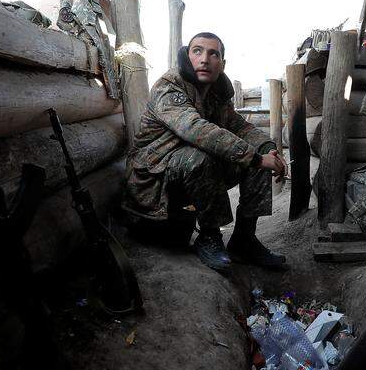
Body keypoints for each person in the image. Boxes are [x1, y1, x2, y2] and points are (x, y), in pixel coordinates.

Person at [123, 32, 288, 272]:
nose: (204, 59)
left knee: (258, 151)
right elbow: (196, 130)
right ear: (187, 56)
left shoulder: (217, 91)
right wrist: (254, 158)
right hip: (155, 178)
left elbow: (238, 126)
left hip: (193, 174)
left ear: (222, 63)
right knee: (206, 156)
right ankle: (210, 236)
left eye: (213, 54)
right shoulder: (169, 86)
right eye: (197, 51)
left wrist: (268, 149)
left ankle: (244, 239)